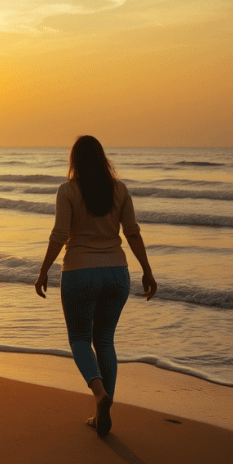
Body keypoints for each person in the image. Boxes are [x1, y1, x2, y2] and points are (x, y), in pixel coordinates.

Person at [34, 135, 156, 437]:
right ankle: (103, 413)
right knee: (105, 341)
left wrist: (44, 270)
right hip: (117, 273)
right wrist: (147, 270)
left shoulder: (67, 191)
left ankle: (99, 394)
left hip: (80, 272)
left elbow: (60, 234)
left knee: (79, 339)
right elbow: (132, 232)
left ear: (74, 160)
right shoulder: (120, 189)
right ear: (103, 158)